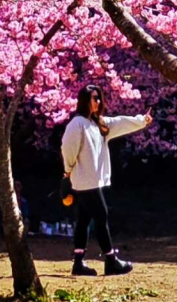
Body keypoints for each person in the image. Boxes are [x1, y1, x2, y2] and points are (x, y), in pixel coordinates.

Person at [58, 85, 149, 276]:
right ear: (84, 100)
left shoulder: (98, 123)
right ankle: (110, 260)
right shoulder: (78, 124)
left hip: (90, 181)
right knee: (101, 215)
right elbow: (68, 148)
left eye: (99, 98)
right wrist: (67, 172)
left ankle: (78, 262)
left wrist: (142, 121)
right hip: (85, 181)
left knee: (84, 220)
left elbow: (119, 122)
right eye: (94, 98)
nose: (98, 102)